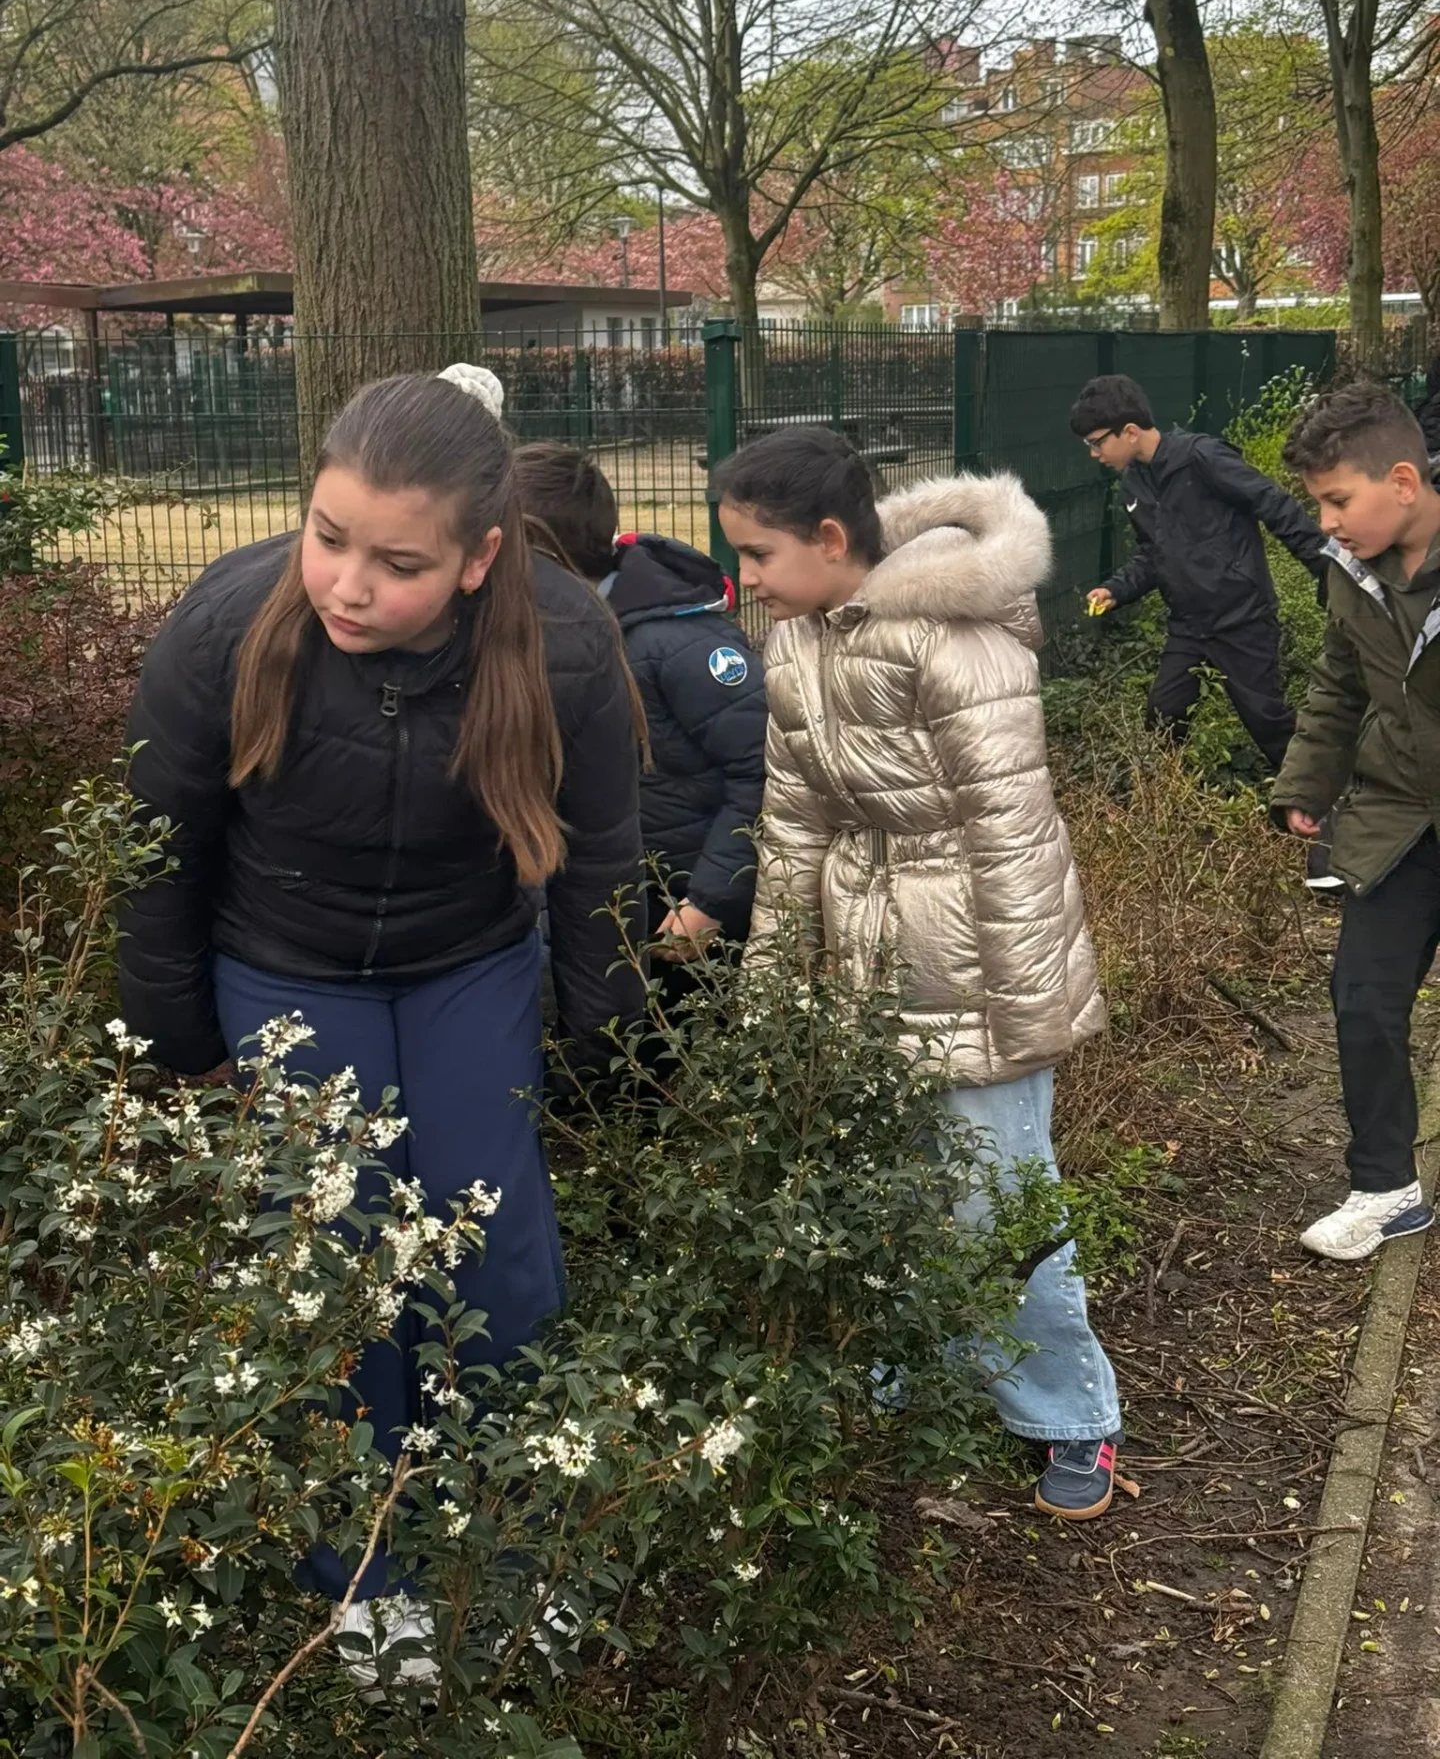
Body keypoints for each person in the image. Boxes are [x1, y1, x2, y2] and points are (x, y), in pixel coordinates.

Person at [118, 366, 644, 1673]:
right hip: (285, 968)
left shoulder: (568, 642)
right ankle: (363, 1575)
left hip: (469, 962)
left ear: (479, 559)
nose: (346, 586)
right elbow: (159, 850)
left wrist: (603, 1035)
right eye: (328, 537)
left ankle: (512, 1544)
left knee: (493, 1246)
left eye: (397, 565)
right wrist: (181, 1040)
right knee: (337, 1256)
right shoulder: (228, 624)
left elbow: (600, 857)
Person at [718, 426, 1132, 1522]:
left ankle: (1069, 1413)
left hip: (976, 957)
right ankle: (925, 1365)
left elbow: (1011, 826)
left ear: (830, 537)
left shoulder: (953, 637)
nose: (746, 579)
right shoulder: (796, 642)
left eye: (758, 554)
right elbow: (792, 825)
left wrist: (1024, 1011)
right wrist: (774, 991)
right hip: (865, 951)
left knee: (999, 1199)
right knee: (898, 1184)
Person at [1272, 383, 1440, 1261]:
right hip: (1399, 819)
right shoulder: (1352, 573)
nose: (1328, 523)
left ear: (1402, 482)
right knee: (1364, 1001)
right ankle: (1386, 1188)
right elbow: (1340, 683)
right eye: (1319, 504)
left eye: (1339, 500)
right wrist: (1307, 781)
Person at [513, 442, 768, 989]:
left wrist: (710, 900)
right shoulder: (537, 635)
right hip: (607, 910)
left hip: (686, 921)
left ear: (537, 554)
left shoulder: (674, 643)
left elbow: (763, 769)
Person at [1073, 373, 1329, 777]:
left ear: (1130, 432)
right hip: (1189, 627)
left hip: (1242, 617)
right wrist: (1114, 590)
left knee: (1267, 721)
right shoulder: (1134, 486)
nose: (1094, 453)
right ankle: (1169, 797)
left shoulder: (1201, 457)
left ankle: (1322, 792)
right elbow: (1152, 555)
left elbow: (1272, 503)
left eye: (1097, 442)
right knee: (1164, 715)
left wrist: (1324, 565)